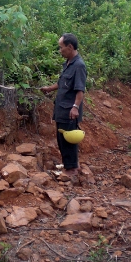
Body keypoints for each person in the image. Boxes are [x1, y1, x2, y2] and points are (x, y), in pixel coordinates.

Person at [40, 33, 87, 176]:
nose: (60, 51)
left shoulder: (79, 66)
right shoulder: (68, 64)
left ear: (70, 47)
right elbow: (62, 83)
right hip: (61, 109)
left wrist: (75, 107)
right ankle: (69, 165)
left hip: (70, 110)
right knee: (62, 139)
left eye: (61, 48)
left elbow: (80, 90)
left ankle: (71, 170)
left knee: (69, 139)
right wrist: (49, 88)